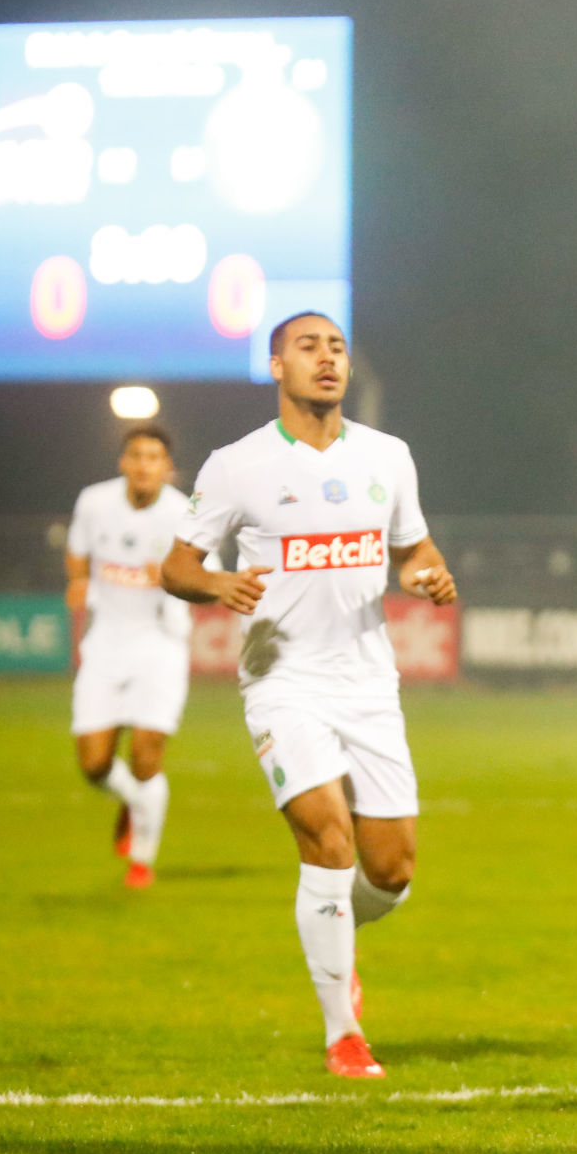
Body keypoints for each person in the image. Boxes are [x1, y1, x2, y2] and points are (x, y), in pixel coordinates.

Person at [161, 311, 458, 1080]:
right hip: (281, 679)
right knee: (328, 840)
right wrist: (218, 583)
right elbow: (177, 566)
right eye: (308, 346)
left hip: (368, 684)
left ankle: (333, 935)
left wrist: (424, 573)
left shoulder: (388, 455)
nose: (327, 358)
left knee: (391, 871)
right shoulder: (237, 465)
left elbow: (413, 547)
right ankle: (343, 1035)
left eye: (337, 347)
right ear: (276, 366)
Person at [66, 425, 194, 888]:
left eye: (153, 457)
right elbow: (77, 552)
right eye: (136, 455)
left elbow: (207, 579)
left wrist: (172, 576)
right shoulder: (94, 502)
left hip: (161, 643)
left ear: (167, 467)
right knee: (94, 764)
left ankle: (142, 860)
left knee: (145, 756)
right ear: (123, 462)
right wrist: (79, 581)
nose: (143, 465)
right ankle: (136, 802)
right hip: (105, 643)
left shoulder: (184, 514)